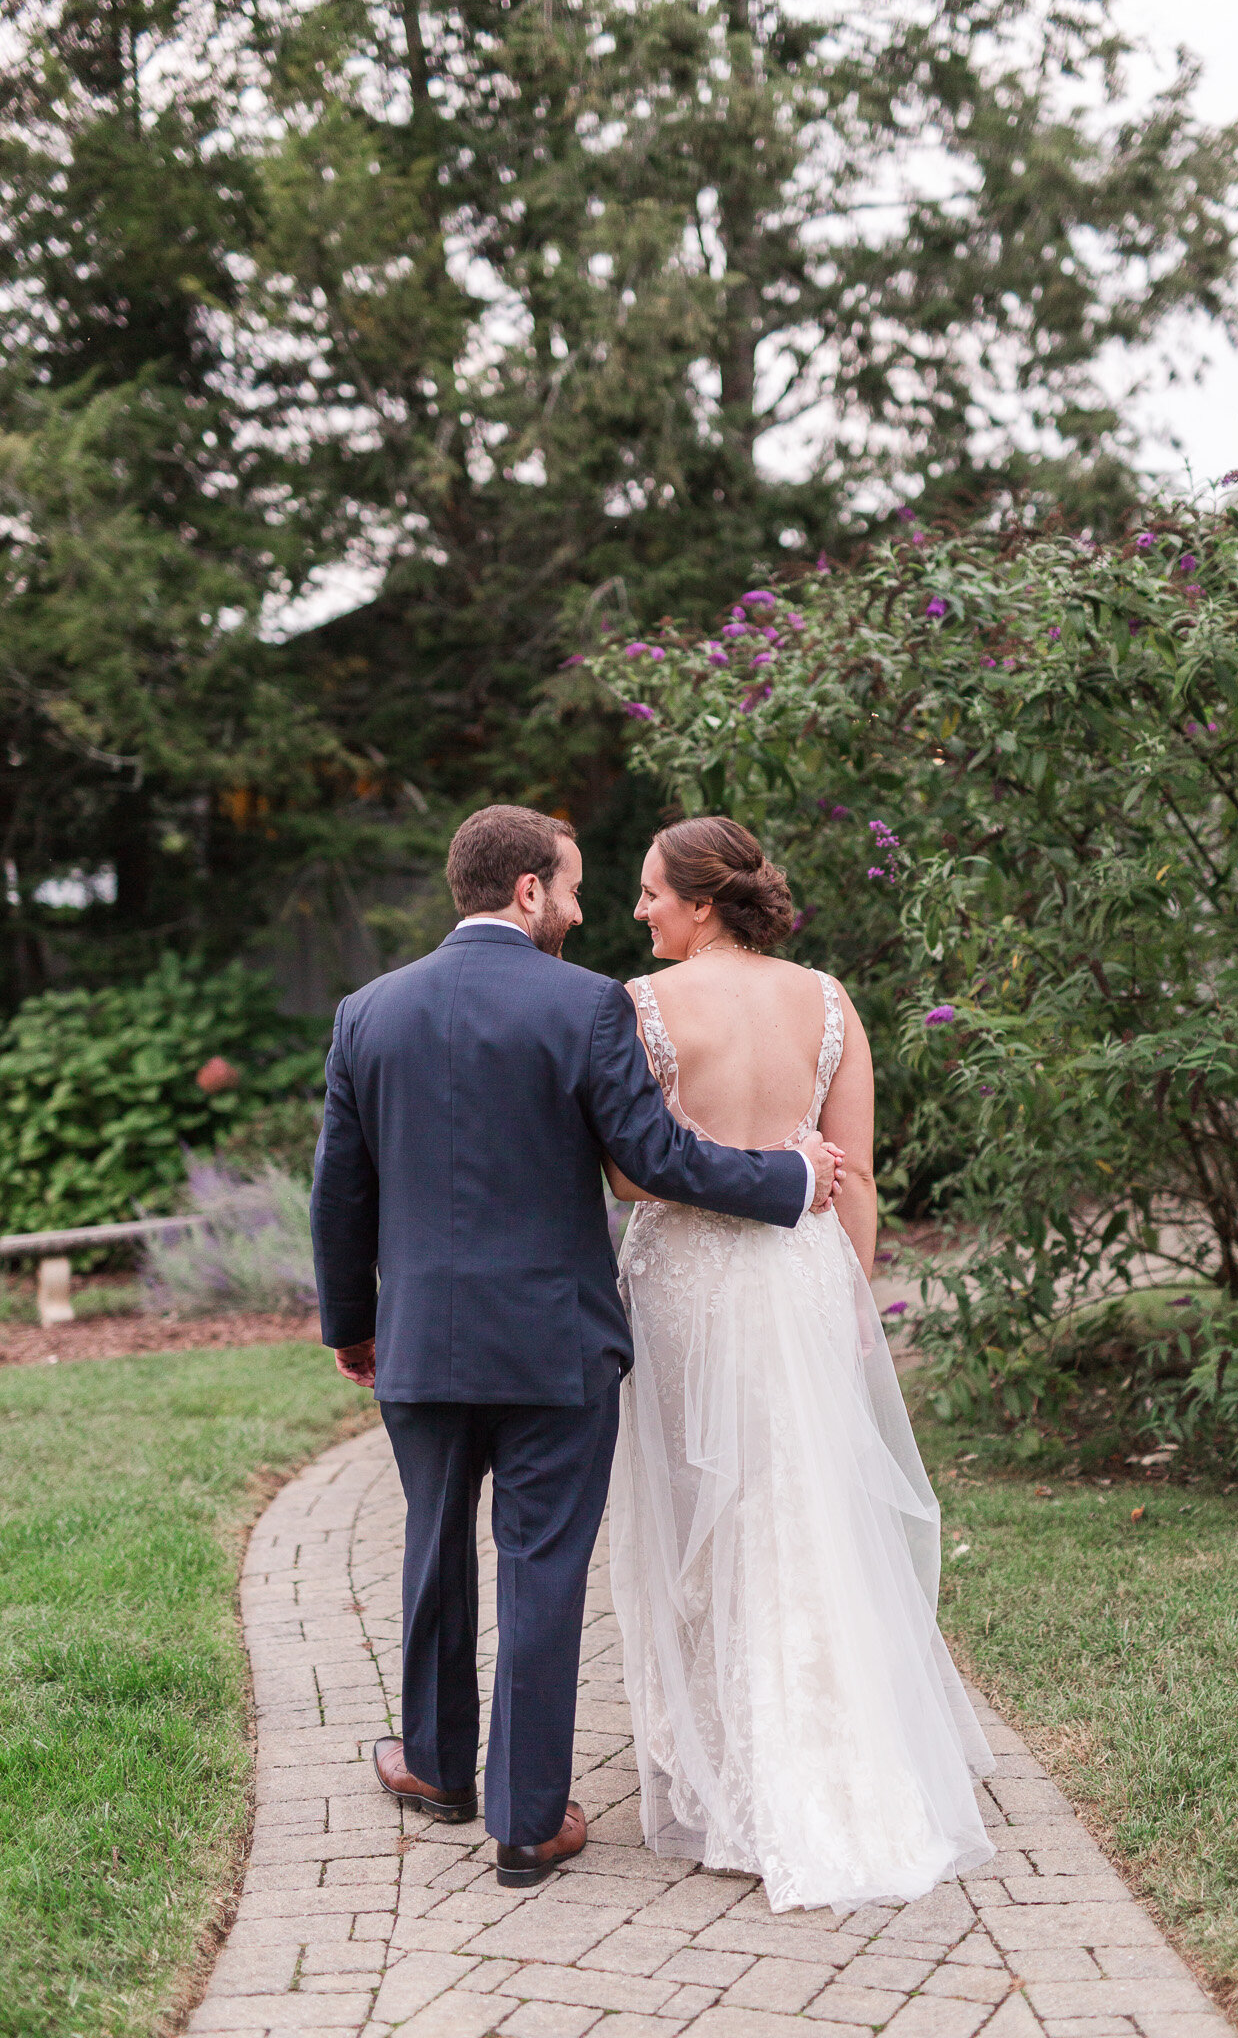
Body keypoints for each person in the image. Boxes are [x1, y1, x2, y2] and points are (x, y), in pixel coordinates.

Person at [310, 804, 843, 1889]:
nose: (587, 906)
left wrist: (352, 1325)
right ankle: (525, 1818)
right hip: (555, 1347)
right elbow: (658, 1155)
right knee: (543, 1569)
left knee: (433, 1546)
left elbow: (339, 1194)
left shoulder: (368, 1011)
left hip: (421, 1345)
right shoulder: (586, 1004)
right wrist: (790, 1178)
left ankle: (434, 1767)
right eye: (573, 886)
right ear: (525, 892)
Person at [606, 815, 995, 1913]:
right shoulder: (828, 999)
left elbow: (634, 1176)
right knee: (802, 1502)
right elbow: (856, 1172)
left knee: (701, 1509)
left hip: (687, 1277)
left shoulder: (644, 1005)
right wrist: (854, 1301)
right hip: (805, 1270)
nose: (641, 912)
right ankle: (837, 1739)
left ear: (699, 898)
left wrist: (733, 1164)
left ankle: (730, 1762)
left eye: (649, 893)